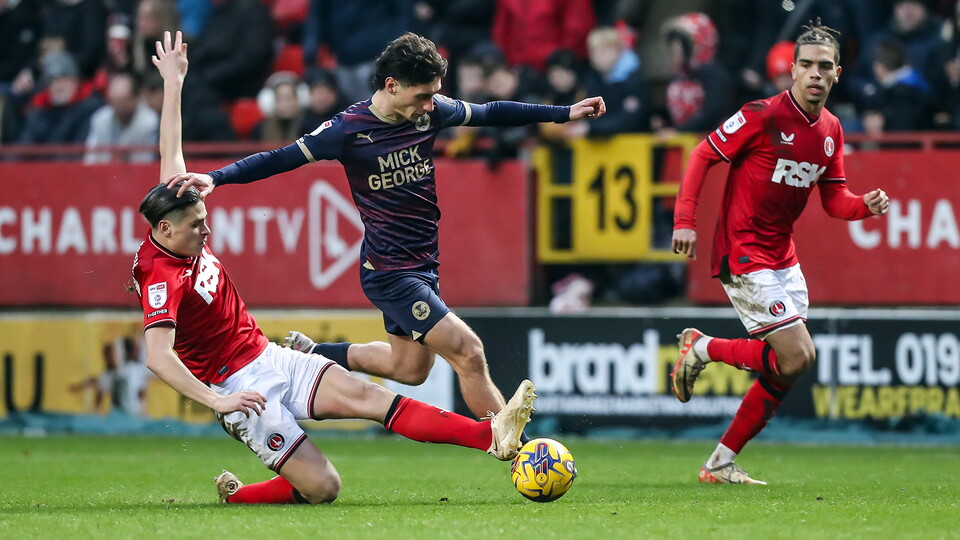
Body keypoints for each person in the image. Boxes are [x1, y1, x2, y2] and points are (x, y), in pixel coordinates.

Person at [137, 31, 537, 505]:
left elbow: (172, 159)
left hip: (266, 355)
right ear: (164, 230)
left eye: (204, 221)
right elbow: (158, 357)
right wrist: (218, 400)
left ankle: (492, 436)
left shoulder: (176, 215)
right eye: (195, 227)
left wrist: (174, 82)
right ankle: (238, 496)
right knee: (324, 488)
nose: (206, 233)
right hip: (236, 385)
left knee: (375, 397)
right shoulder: (161, 276)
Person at [164, 32, 605, 421]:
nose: (430, 104)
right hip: (391, 273)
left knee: (409, 369)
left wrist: (563, 113)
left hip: (423, 264)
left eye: (435, 95)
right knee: (468, 352)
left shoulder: (430, 113)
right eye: (422, 95)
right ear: (391, 86)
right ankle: (517, 452)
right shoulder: (346, 130)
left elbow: (492, 110)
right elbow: (278, 158)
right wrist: (216, 177)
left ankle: (315, 352)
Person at [669, 21, 890, 485]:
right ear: (791, 70)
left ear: (836, 74)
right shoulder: (762, 115)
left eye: (823, 67)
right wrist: (684, 221)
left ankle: (719, 463)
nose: (814, 73)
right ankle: (704, 347)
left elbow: (834, 201)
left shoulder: (831, 130)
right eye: (805, 65)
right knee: (796, 357)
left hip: (782, 257)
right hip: (743, 251)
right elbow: (701, 155)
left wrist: (863, 208)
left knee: (794, 364)